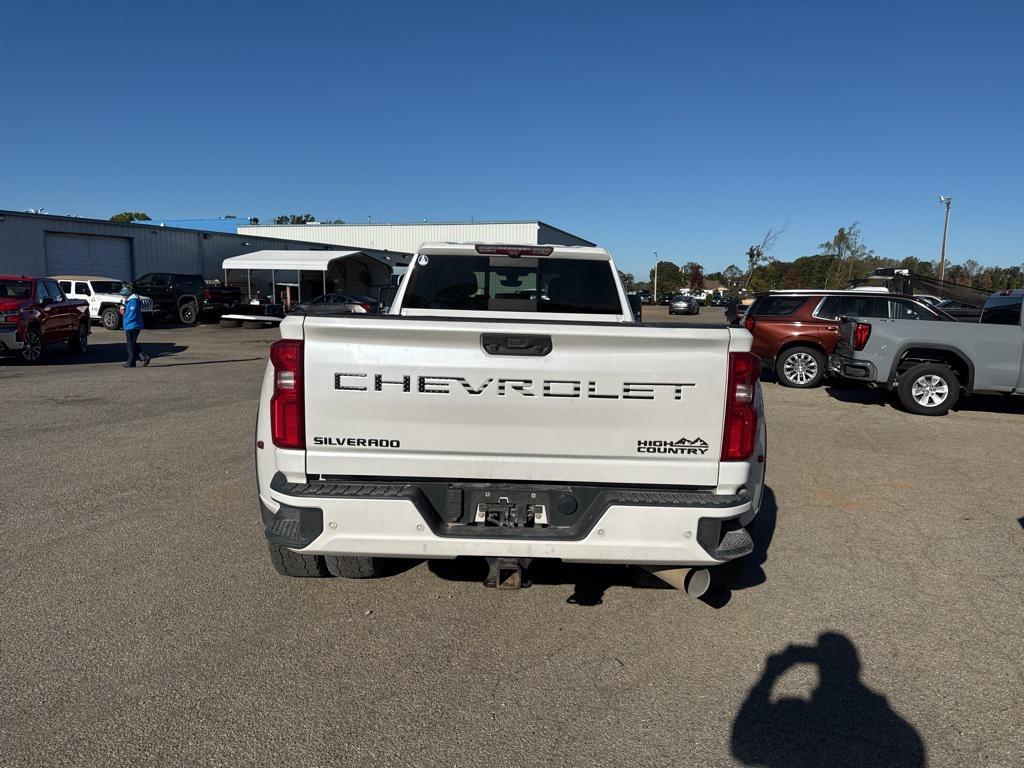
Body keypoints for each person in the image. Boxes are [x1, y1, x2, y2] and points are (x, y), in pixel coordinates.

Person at [120, 283, 150, 368]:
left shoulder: (133, 301)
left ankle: (131, 362)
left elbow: (132, 313)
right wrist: (123, 307)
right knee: (132, 343)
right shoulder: (130, 300)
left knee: (130, 345)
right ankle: (144, 357)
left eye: (124, 295)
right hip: (130, 325)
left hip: (132, 325)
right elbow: (126, 312)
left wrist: (127, 320)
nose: (123, 297)